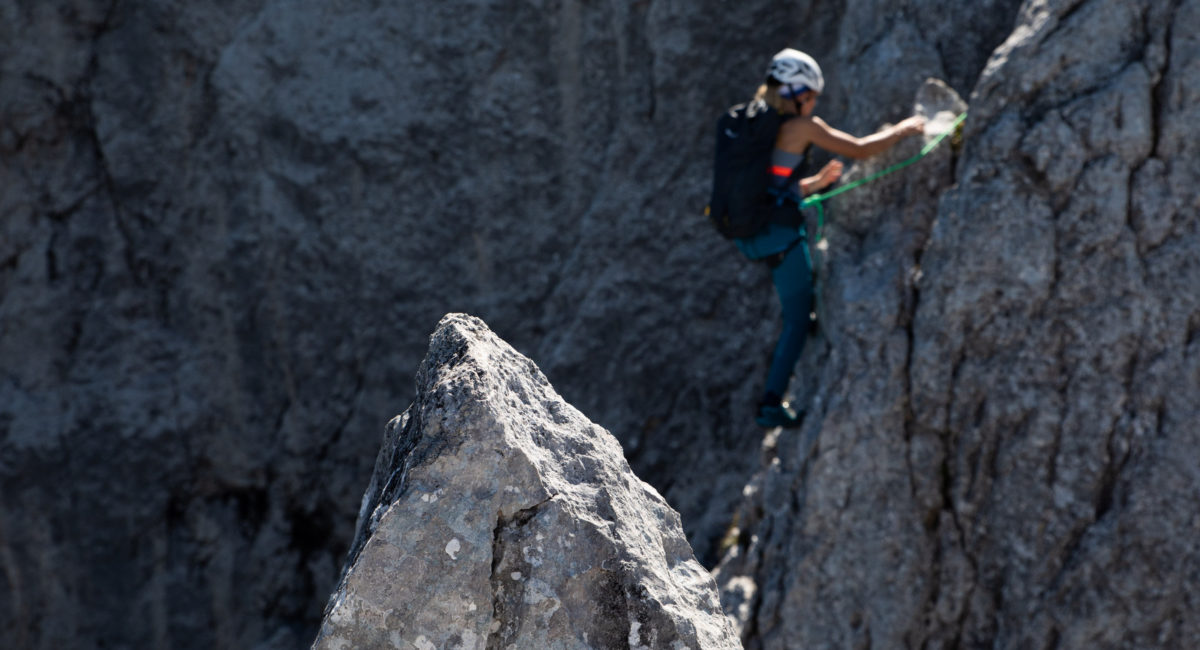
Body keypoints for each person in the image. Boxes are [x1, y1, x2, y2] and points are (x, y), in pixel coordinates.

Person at [740, 48, 926, 428]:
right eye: (811, 95)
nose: (813, 103)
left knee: (796, 300)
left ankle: (801, 326)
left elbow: (772, 185)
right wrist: (904, 129)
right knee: (796, 318)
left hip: (752, 233)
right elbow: (859, 148)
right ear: (796, 92)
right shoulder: (802, 127)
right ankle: (770, 405)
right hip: (780, 237)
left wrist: (814, 184)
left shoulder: (755, 123)